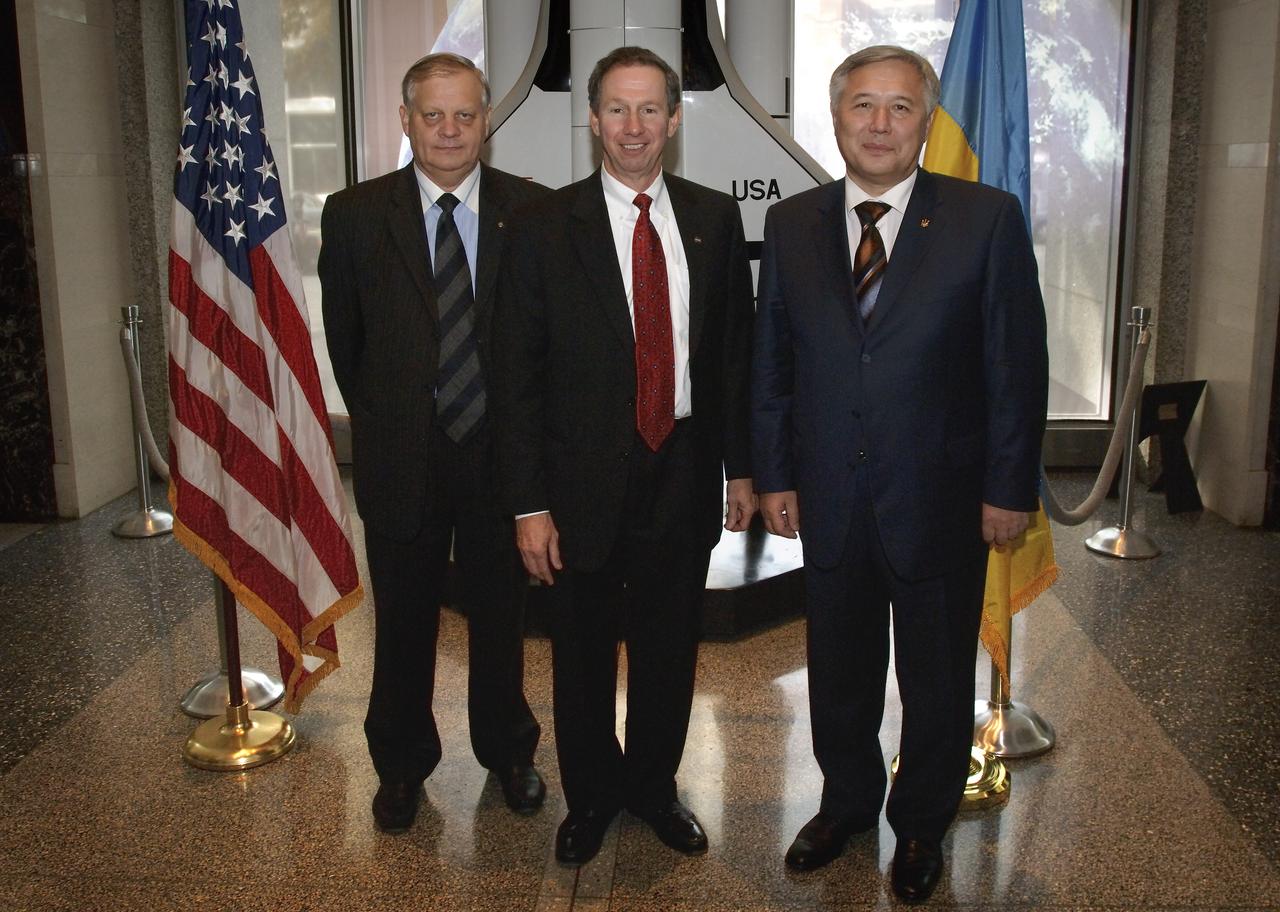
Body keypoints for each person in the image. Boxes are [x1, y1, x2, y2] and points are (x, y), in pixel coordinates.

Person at [751, 45, 1048, 902]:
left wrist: (1007, 490)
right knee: (838, 668)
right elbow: (773, 360)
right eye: (863, 106)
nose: (879, 125)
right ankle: (846, 804)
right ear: (836, 116)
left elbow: (1015, 366)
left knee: (936, 675)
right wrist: (774, 474)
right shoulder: (793, 223)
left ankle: (921, 823)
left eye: (900, 107)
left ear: (924, 121)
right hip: (830, 497)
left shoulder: (985, 218)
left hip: (943, 500)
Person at [490, 46, 756, 865]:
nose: (632, 126)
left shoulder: (715, 218)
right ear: (593, 119)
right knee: (580, 653)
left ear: (673, 120)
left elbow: (733, 358)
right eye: (616, 109)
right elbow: (515, 379)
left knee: (670, 648)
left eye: (648, 109)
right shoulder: (541, 228)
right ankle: (592, 797)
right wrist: (529, 505)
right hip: (578, 485)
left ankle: (652, 788)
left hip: (683, 468)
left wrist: (742, 468)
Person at [318, 53, 548, 833]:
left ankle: (509, 751)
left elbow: (543, 342)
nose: (449, 130)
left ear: (486, 121)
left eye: (465, 115)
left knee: (501, 619)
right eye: (433, 115)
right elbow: (347, 344)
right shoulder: (354, 215)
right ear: (406, 120)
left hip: (500, 458)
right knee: (404, 623)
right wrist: (391, 422)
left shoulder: (533, 211)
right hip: (403, 457)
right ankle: (400, 765)